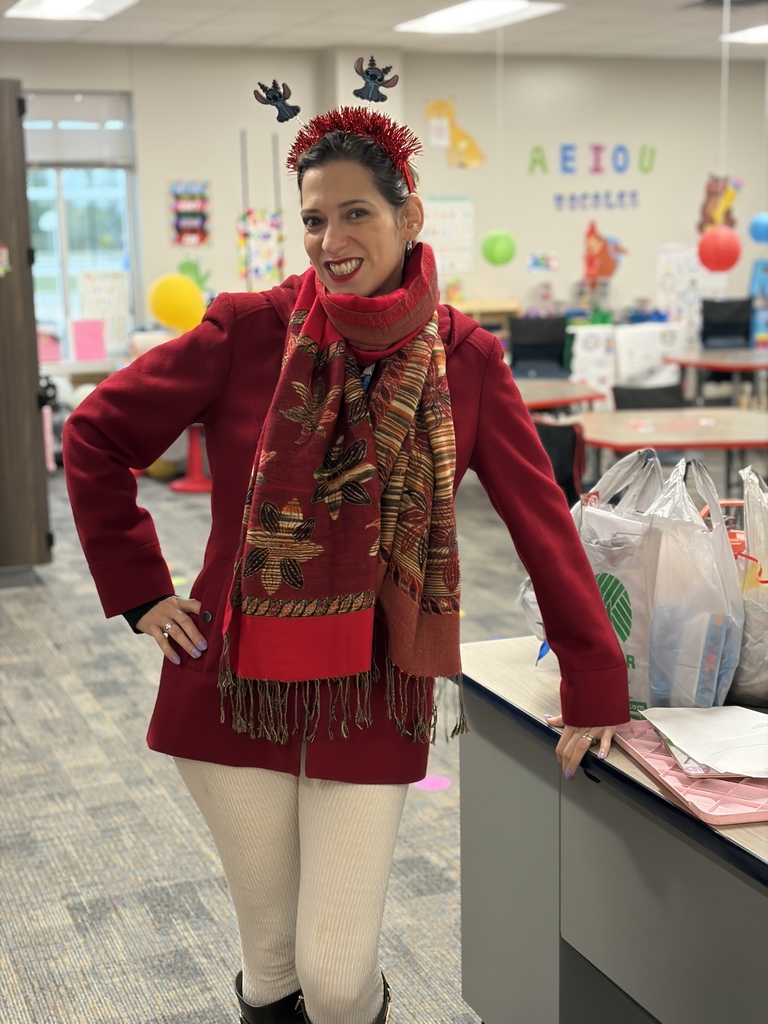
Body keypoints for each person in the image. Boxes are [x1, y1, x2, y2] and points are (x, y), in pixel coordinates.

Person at [63, 99, 630, 1024]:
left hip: (372, 688)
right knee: (275, 967)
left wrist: (594, 673)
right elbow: (95, 436)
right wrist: (140, 591)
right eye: (314, 219)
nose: (330, 239)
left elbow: (543, 523)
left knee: (337, 980)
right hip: (231, 683)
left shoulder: (466, 360)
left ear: (409, 218)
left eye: (355, 213)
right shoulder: (248, 331)